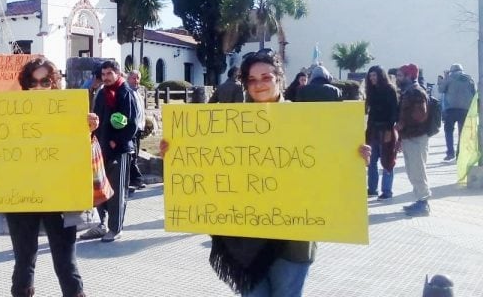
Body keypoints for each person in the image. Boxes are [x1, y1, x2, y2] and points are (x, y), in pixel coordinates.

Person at [161, 50, 370, 297]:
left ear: (279, 78)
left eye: (266, 77)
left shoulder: (308, 120)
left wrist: (355, 159)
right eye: (252, 79)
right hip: (246, 239)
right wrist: (175, 153)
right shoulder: (226, 123)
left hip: (294, 239)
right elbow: (207, 166)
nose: (259, 84)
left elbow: (329, 166)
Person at [5, 56, 90, 297]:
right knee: (23, 262)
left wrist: (88, 131)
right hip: (21, 196)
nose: (39, 88)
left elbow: (83, 154)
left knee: (66, 264)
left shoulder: (71, 111)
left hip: (59, 195)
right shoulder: (9, 114)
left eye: (45, 82)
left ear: (54, 83)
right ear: (25, 84)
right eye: (34, 82)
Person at [80, 60, 138, 243]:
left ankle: (115, 228)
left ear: (117, 74)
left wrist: (115, 142)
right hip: (100, 149)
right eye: (103, 74)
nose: (105, 78)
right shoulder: (102, 93)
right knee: (99, 189)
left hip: (119, 151)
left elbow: (132, 125)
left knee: (116, 191)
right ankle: (100, 224)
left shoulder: (125, 93)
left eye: (108, 74)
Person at [396, 63, 431, 217]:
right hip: (410, 137)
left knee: (418, 171)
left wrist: (402, 124)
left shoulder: (415, 92)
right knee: (413, 171)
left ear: (410, 76)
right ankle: (419, 200)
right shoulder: (408, 91)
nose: (398, 78)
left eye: (400, 75)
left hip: (416, 137)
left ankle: (423, 203)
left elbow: (420, 115)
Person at [365, 65, 399, 200]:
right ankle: (372, 189)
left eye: (374, 75)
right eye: (370, 75)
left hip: (386, 130)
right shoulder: (371, 91)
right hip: (373, 130)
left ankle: (387, 191)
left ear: (380, 75)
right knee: (372, 161)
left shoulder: (389, 89)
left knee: (387, 160)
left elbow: (394, 111)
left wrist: (390, 128)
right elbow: (371, 113)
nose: (372, 78)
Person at [437, 64, 476, 161]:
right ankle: (460, 153)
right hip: (465, 109)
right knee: (462, 132)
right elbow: (474, 93)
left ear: (451, 70)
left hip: (451, 108)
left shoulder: (449, 78)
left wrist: (443, 79)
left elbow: (440, 90)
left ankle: (450, 153)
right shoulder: (469, 78)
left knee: (448, 131)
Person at [126, 69, 146, 189]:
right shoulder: (127, 92)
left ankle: (133, 181)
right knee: (132, 155)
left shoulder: (138, 93)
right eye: (133, 78)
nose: (136, 81)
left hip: (139, 129)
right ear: (128, 79)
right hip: (131, 129)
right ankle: (136, 180)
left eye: (138, 78)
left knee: (135, 155)